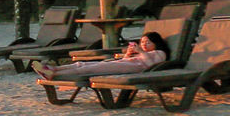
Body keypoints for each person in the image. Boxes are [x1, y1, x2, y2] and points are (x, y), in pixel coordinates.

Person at [35, 30, 169, 80]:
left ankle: (55, 74)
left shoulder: (159, 53)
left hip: (133, 69)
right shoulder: (145, 52)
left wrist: (140, 51)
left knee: (89, 69)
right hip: (123, 64)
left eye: (148, 42)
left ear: (156, 43)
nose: (145, 44)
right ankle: (53, 69)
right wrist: (128, 54)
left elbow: (151, 65)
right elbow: (128, 60)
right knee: (82, 64)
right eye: (142, 42)